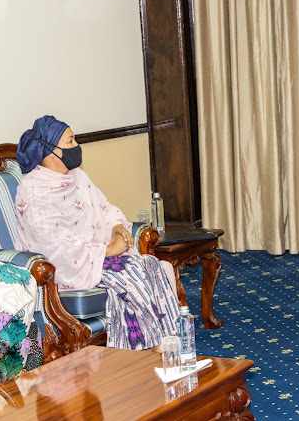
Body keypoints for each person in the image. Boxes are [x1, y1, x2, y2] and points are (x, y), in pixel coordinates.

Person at [14, 115, 179, 350]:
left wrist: (116, 227)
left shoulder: (78, 177)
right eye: (70, 142)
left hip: (95, 258)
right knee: (132, 279)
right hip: (64, 269)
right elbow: (53, 244)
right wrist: (108, 250)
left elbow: (104, 208)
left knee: (153, 266)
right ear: (51, 152)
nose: (76, 147)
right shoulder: (32, 191)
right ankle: (145, 354)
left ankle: (169, 345)